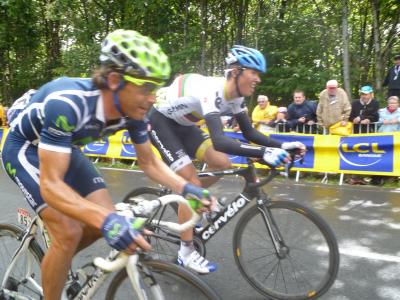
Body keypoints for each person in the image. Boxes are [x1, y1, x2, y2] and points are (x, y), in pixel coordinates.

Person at [1, 29, 213, 300]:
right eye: (147, 87)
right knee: (70, 232)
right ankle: (59, 259)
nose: (153, 98)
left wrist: (187, 188)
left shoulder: (133, 110)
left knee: (101, 219)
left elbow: (148, 162)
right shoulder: (67, 103)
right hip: (24, 148)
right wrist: (107, 220)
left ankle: (56, 260)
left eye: (156, 88)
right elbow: (51, 185)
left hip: (65, 148)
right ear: (114, 80)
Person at [148, 45, 305, 274]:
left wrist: (282, 145)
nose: (258, 79)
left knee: (222, 162)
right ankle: (186, 251)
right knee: (191, 183)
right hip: (160, 121)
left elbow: (250, 134)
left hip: (185, 125)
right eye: (254, 73)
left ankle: (195, 202)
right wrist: (263, 154)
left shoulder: (236, 99)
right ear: (235, 72)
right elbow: (220, 140)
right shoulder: (211, 90)